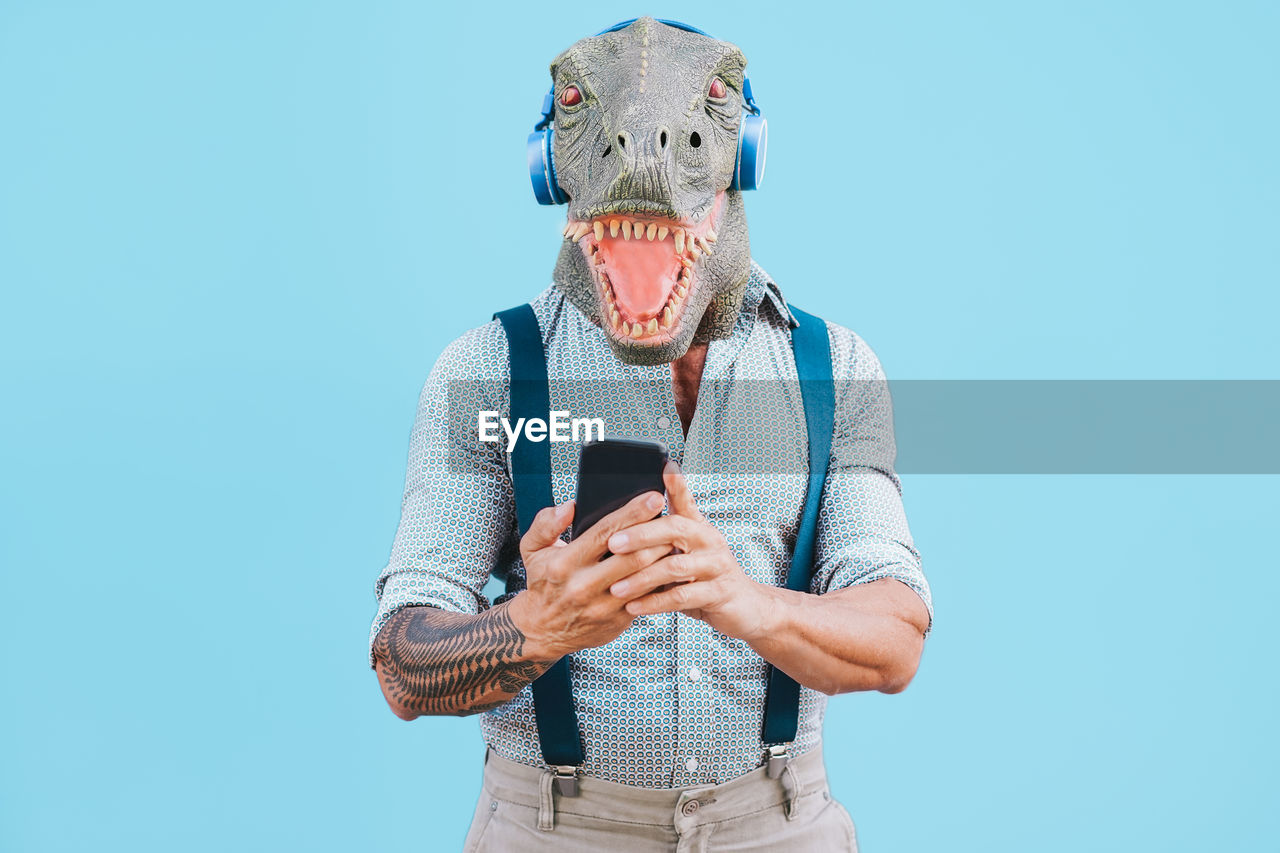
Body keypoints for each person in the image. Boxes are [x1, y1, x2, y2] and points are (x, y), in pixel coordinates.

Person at [369, 17, 932, 852]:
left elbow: (894, 639)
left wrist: (747, 603)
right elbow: (401, 661)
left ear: (747, 152)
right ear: (549, 167)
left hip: (778, 825)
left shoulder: (835, 369)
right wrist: (540, 622)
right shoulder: (488, 373)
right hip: (553, 829)